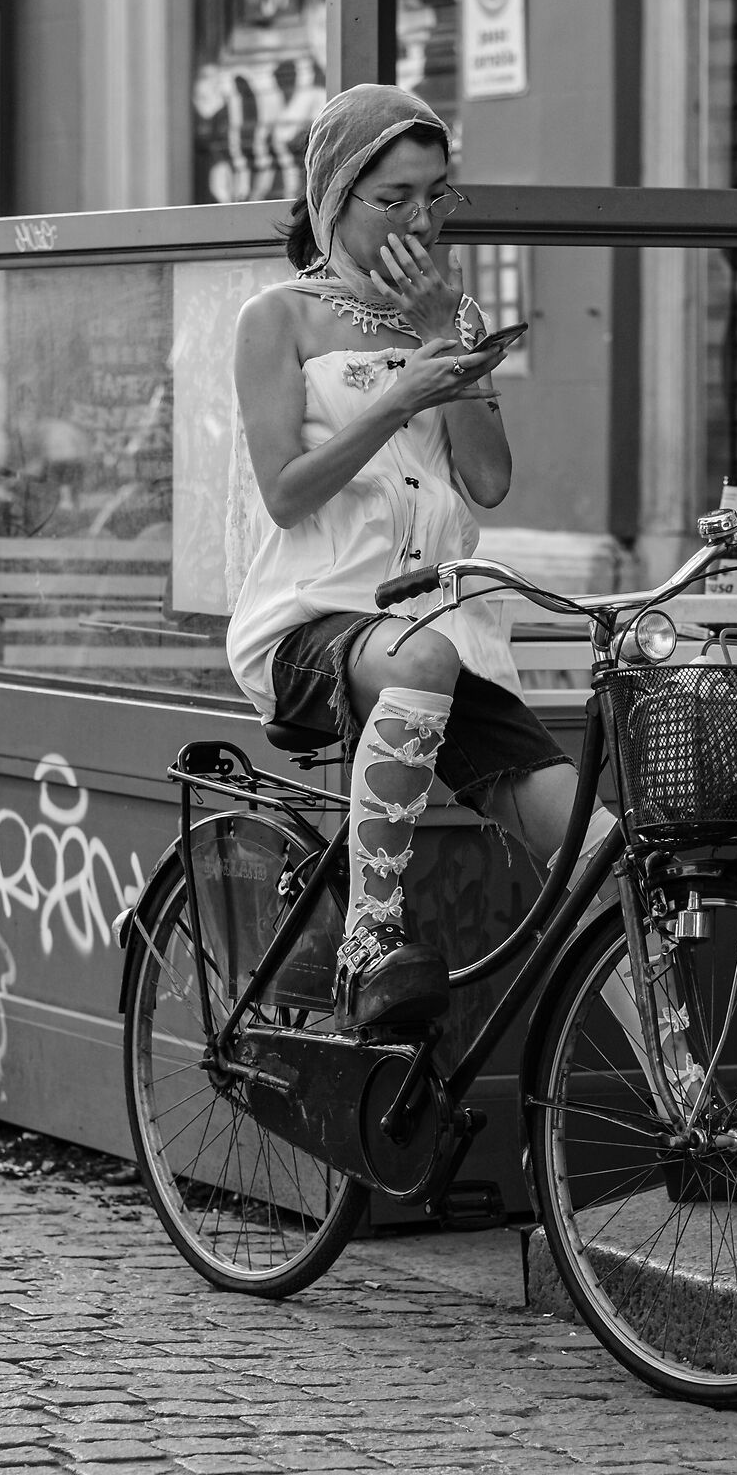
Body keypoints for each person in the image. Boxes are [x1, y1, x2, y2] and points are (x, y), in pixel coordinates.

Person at [225, 84, 616, 1039]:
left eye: (436, 197)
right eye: (393, 199)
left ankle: (690, 1098)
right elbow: (286, 491)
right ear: (333, 198)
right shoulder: (277, 320)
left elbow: (488, 481)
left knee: (597, 852)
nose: (420, 221)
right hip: (315, 623)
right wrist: (398, 398)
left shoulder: (449, 311)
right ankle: (369, 941)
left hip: (442, 634)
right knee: (421, 659)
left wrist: (452, 344)